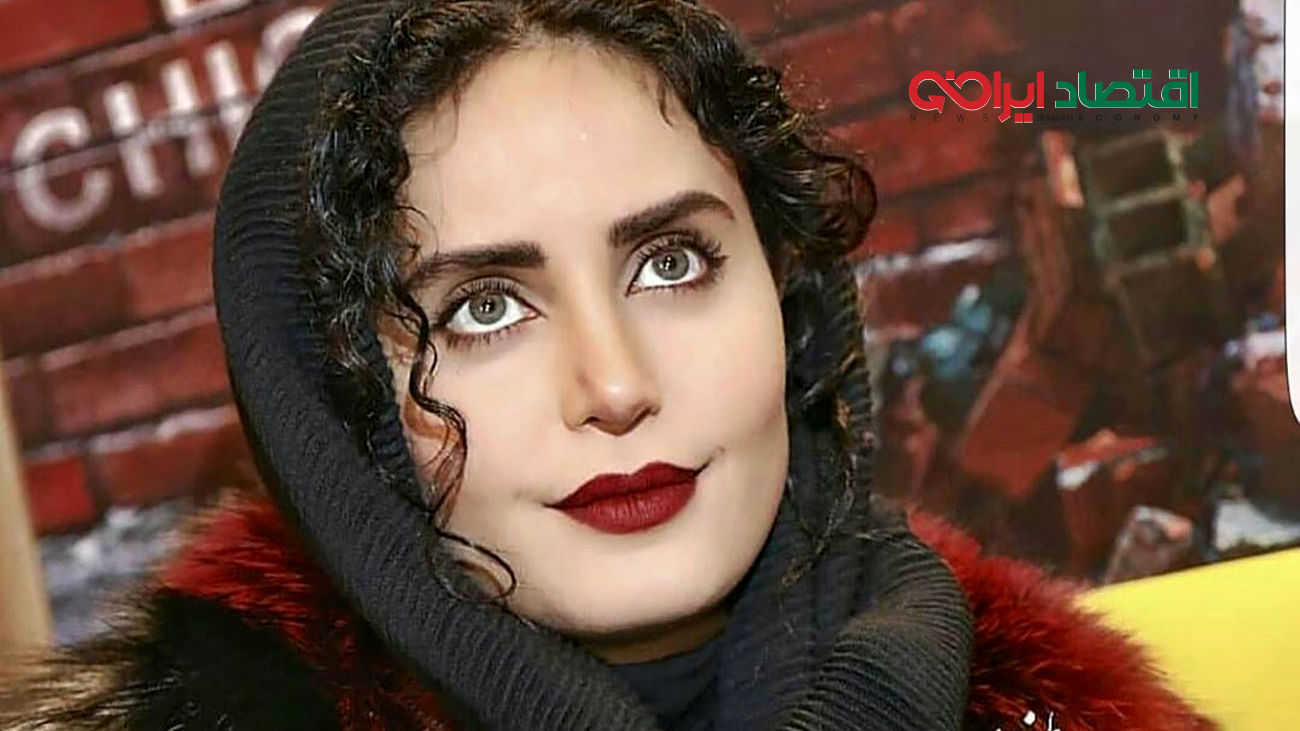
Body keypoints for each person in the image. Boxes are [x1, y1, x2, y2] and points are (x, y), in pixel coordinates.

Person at [1, 1, 1217, 729]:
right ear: (336, 392)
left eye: (671, 264)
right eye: (482, 307)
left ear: (789, 294)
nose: (617, 384)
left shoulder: (1059, 707)